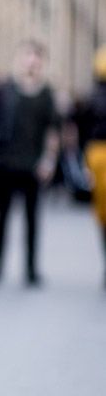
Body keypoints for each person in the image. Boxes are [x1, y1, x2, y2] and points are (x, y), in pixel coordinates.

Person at [0, 41, 59, 285]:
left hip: (33, 166)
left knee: (32, 219)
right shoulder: (7, 90)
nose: (31, 61)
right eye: (27, 56)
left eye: (36, 57)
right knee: (2, 218)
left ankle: (30, 269)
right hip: (6, 165)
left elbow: (52, 130)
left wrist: (48, 160)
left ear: (41, 62)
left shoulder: (46, 93)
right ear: (20, 59)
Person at [82, 45, 106, 286]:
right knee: (102, 213)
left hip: (96, 155)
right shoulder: (93, 97)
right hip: (98, 155)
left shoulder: (92, 97)